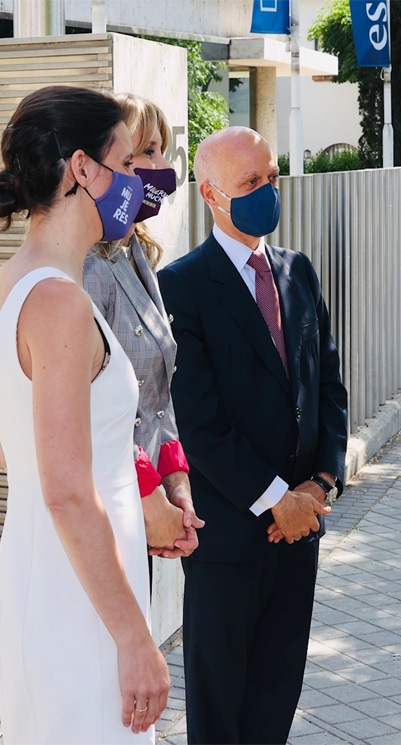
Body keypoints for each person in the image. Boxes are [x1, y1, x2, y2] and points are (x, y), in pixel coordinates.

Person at [157, 126, 348, 745]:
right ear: (212, 194)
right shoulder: (182, 287)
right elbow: (199, 422)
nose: (267, 191)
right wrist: (276, 499)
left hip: (301, 529)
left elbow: (329, 384)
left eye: (271, 177)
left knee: (277, 693)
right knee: (219, 704)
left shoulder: (299, 271)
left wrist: (321, 483)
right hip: (232, 535)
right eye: (250, 183)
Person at [0, 85, 170, 744]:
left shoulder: (20, 283)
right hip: (82, 611)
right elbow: (67, 489)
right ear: (82, 169)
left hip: (58, 585)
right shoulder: (60, 304)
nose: (137, 182)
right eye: (126, 164)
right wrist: (134, 638)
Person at [83, 94, 203, 559]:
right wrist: (151, 497)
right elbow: (96, 408)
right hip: (109, 507)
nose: (158, 168)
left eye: (160, 150)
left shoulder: (136, 252)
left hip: (145, 504)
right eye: (141, 154)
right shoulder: (88, 264)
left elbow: (156, 392)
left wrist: (177, 483)